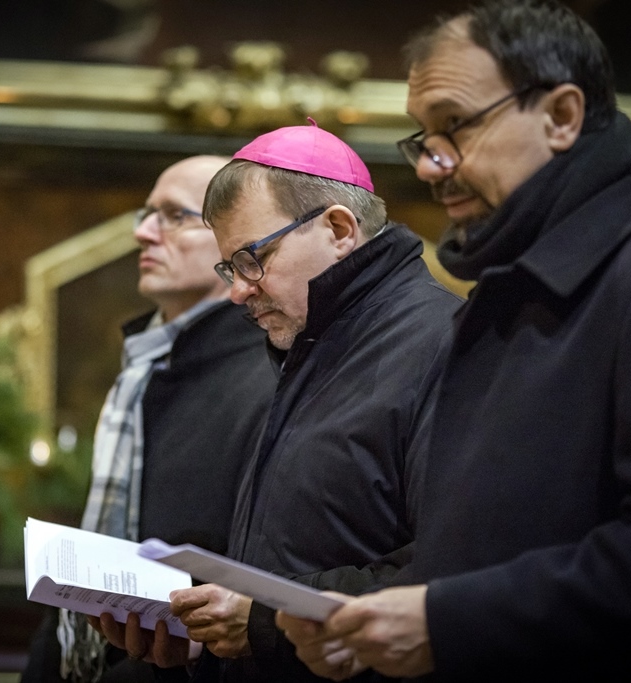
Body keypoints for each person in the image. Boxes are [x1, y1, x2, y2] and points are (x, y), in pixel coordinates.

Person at [279, 1, 631, 681]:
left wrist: (446, 623)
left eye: (455, 126)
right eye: (424, 137)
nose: (430, 165)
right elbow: (484, 547)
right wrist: (378, 622)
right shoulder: (511, 290)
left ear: (561, 116)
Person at [93, 122, 464, 681]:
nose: (238, 290)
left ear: (338, 229)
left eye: (253, 258)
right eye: (231, 268)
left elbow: (449, 576)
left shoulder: (444, 343)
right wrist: (205, 643)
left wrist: (263, 622)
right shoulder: (307, 344)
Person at [21, 155, 277, 683]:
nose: (143, 233)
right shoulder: (143, 368)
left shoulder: (268, 372)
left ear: (233, 239)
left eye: (174, 216)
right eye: (146, 214)